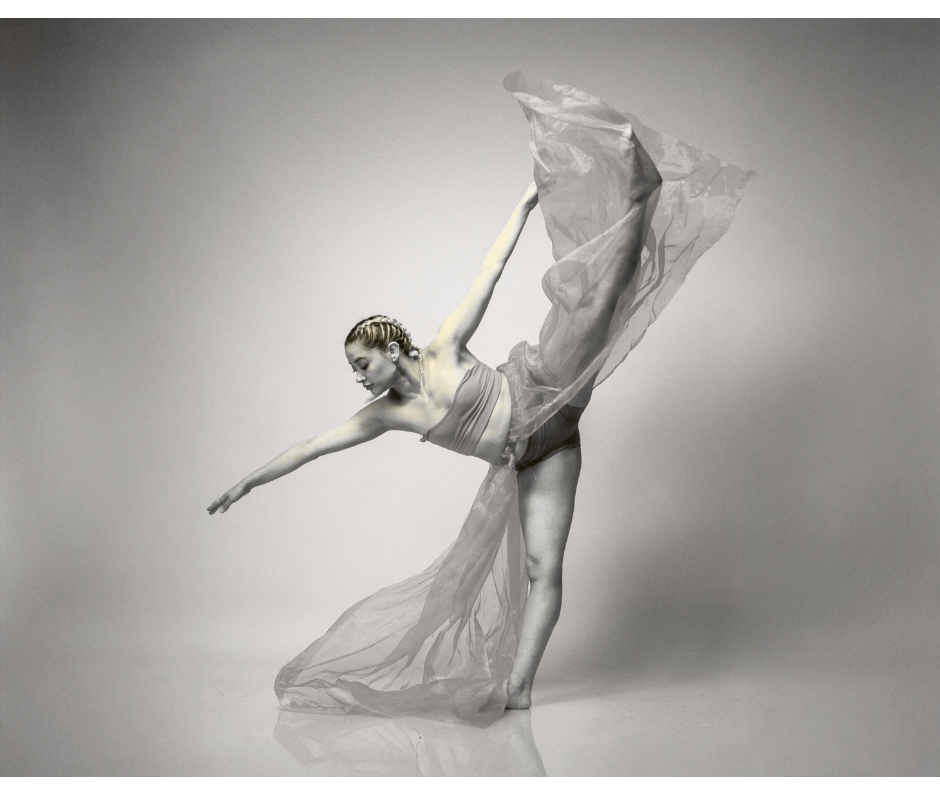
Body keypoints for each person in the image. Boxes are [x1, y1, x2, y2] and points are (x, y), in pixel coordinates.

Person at [208, 73, 754, 725]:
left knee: (597, 304)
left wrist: (525, 205)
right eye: (354, 372)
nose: (358, 379)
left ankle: (643, 196)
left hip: (543, 392)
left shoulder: (443, 348)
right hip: (537, 455)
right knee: (538, 566)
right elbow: (311, 447)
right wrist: (248, 482)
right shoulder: (385, 415)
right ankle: (520, 687)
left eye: (362, 364)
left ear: (389, 348)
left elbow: (488, 274)